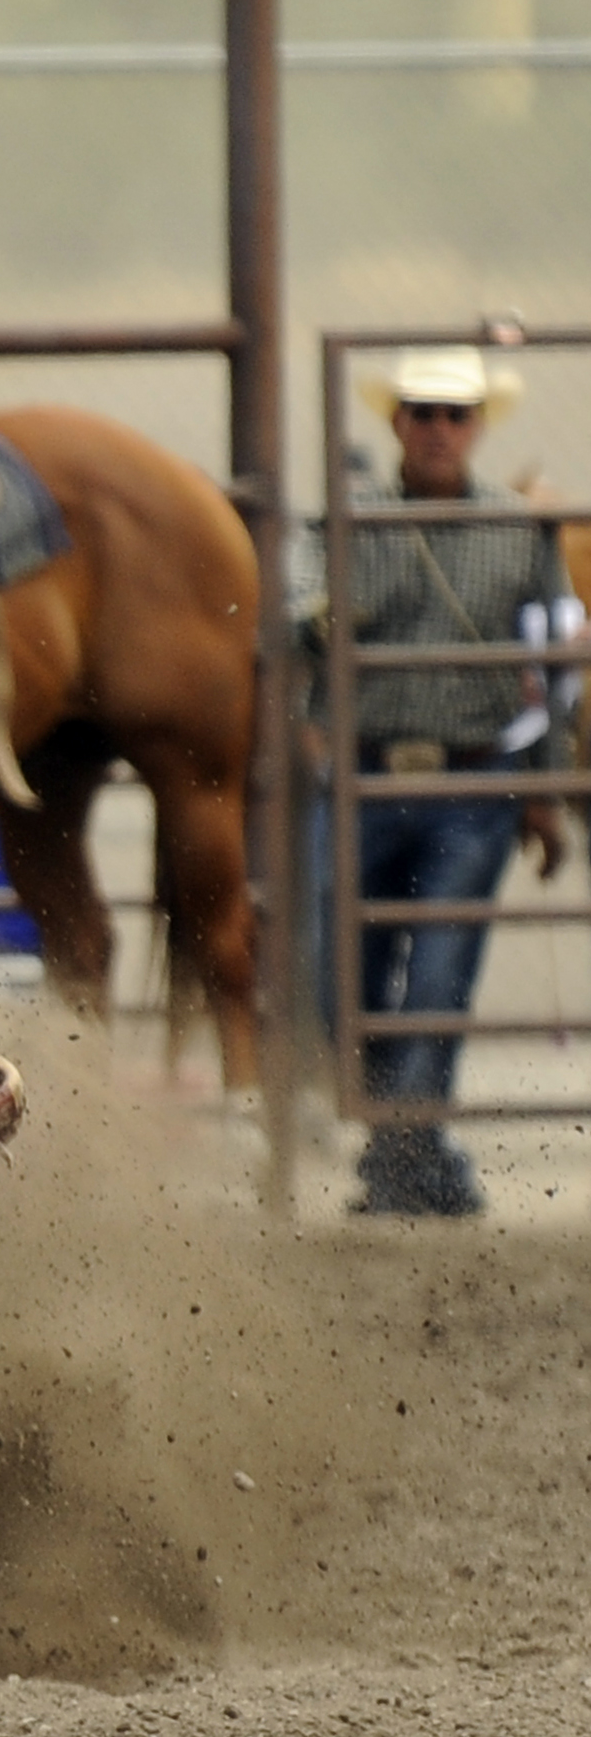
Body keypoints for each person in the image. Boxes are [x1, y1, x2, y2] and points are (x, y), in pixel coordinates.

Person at [305, 346, 577, 1217]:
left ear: (476, 427)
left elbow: (549, 669)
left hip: (473, 781)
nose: (437, 428)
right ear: (397, 422)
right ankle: (416, 1142)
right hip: (363, 773)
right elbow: (299, 610)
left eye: (454, 414)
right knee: (332, 974)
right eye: (422, 411)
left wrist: (542, 788)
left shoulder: (520, 529)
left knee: (436, 978)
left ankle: (404, 1150)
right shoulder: (347, 521)